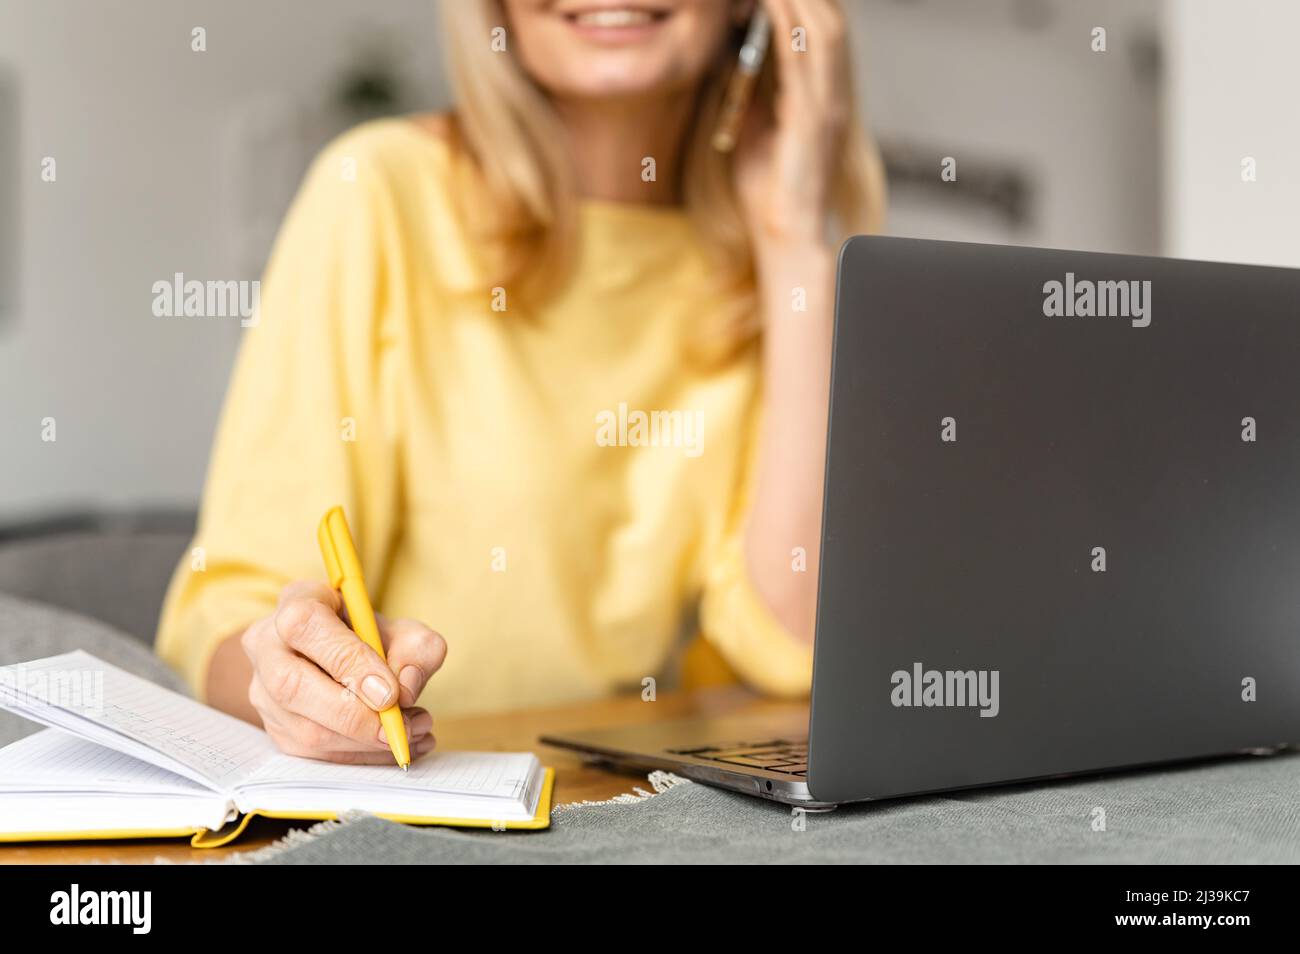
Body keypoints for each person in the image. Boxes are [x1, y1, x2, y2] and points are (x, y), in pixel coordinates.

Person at [156, 0, 885, 763]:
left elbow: (794, 649)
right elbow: (228, 608)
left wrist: (795, 243)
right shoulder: (378, 189)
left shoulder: (769, 261)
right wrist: (291, 684)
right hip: (408, 806)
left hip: (634, 808)